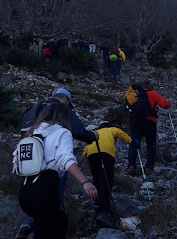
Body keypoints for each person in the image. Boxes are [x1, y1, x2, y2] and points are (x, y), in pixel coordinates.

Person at [17, 88, 99, 238]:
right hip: (46, 188)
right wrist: (85, 182)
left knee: (58, 222)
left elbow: (16, 159)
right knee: (53, 227)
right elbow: (66, 160)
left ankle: (27, 224)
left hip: (24, 192)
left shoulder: (31, 132)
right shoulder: (62, 131)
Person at [83, 121, 138, 228]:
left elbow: (84, 152)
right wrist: (131, 141)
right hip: (106, 153)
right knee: (106, 180)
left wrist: (89, 160)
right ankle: (104, 211)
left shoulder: (96, 133)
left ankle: (97, 206)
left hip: (91, 154)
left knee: (97, 180)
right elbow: (121, 134)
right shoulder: (112, 129)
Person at [126, 81, 172, 175]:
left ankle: (131, 165)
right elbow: (164, 104)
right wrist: (169, 103)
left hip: (135, 122)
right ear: (150, 87)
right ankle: (149, 168)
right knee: (151, 145)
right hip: (150, 122)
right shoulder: (153, 94)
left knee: (134, 143)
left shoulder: (134, 95)